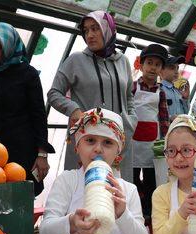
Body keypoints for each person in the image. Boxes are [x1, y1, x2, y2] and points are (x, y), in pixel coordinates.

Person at [48, 10, 136, 182]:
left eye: (95, 29)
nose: (90, 35)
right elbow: (54, 93)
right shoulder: (76, 60)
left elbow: (129, 97)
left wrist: (131, 120)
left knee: (117, 191)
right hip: (88, 140)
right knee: (85, 191)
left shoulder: (123, 61)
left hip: (120, 138)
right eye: (86, 30)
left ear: (108, 30)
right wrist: (74, 110)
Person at [0, 22, 53, 195]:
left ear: (9, 46)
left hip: (22, 149)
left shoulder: (27, 74)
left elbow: (38, 115)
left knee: (20, 200)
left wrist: (42, 154)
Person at [130, 44, 170, 217]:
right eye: (149, 63)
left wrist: (165, 141)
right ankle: (132, 212)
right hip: (132, 142)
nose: (153, 68)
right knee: (131, 180)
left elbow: (163, 118)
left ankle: (149, 215)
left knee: (151, 182)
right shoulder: (132, 87)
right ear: (141, 65)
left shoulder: (161, 92)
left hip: (152, 145)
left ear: (161, 69)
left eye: (157, 65)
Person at [160, 55, 188, 121]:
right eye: (172, 68)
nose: (176, 71)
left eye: (177, 68)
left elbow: (185, 112)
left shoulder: (178, 92)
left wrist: (185, 99)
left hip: (179, 128)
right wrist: (170, 118)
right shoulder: (159, 89)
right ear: (161, 71)